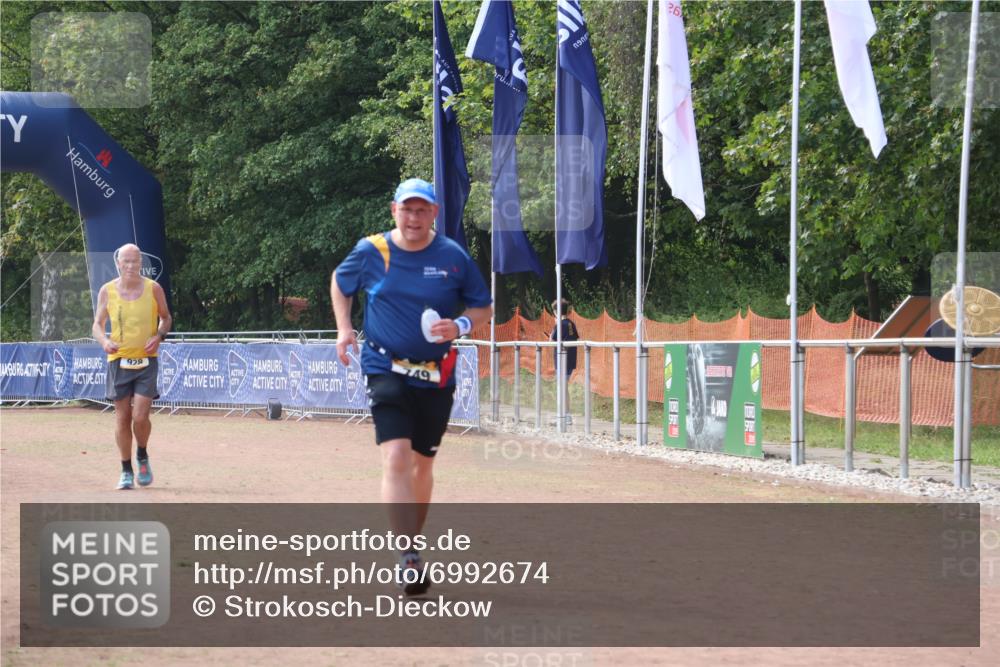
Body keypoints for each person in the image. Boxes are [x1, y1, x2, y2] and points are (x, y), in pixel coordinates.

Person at [331, 178, 492, 595]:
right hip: (384, 365)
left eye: (422, 210)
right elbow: (340, 281)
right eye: (407, 209)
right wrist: (344, 328)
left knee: (423, 464)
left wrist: (458, 325)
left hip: (437, 373)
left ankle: (411, 544)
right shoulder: (373, 251)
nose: (414, 217)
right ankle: (408, 557)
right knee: (397, 457)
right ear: (393, 210)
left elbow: (483, 307)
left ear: (434, 213)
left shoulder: (453, 257)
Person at [92, 243, 172, 490]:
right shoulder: (107, 291)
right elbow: (97, 324)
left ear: (141, 263)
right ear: (118, 263)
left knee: (140, 416)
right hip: (119, 362)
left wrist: (158, 336)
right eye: (125, 261)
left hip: (147, 360)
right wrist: (104, 341)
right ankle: (126, 470)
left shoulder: (154, 288)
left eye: (135, 261)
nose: (130, 266)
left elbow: (166, 317)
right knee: (123, 418)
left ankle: (142, 455)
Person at [550, 299, 579, 421]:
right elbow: (575, 338)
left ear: (556, 311)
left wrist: (554, 327)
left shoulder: (560, 325)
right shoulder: (571, 323)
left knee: (562, 388)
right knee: (563, 387)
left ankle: (564, 415)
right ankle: (565, 414)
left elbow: (552, 341)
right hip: (570, 359)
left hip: (562, 359)